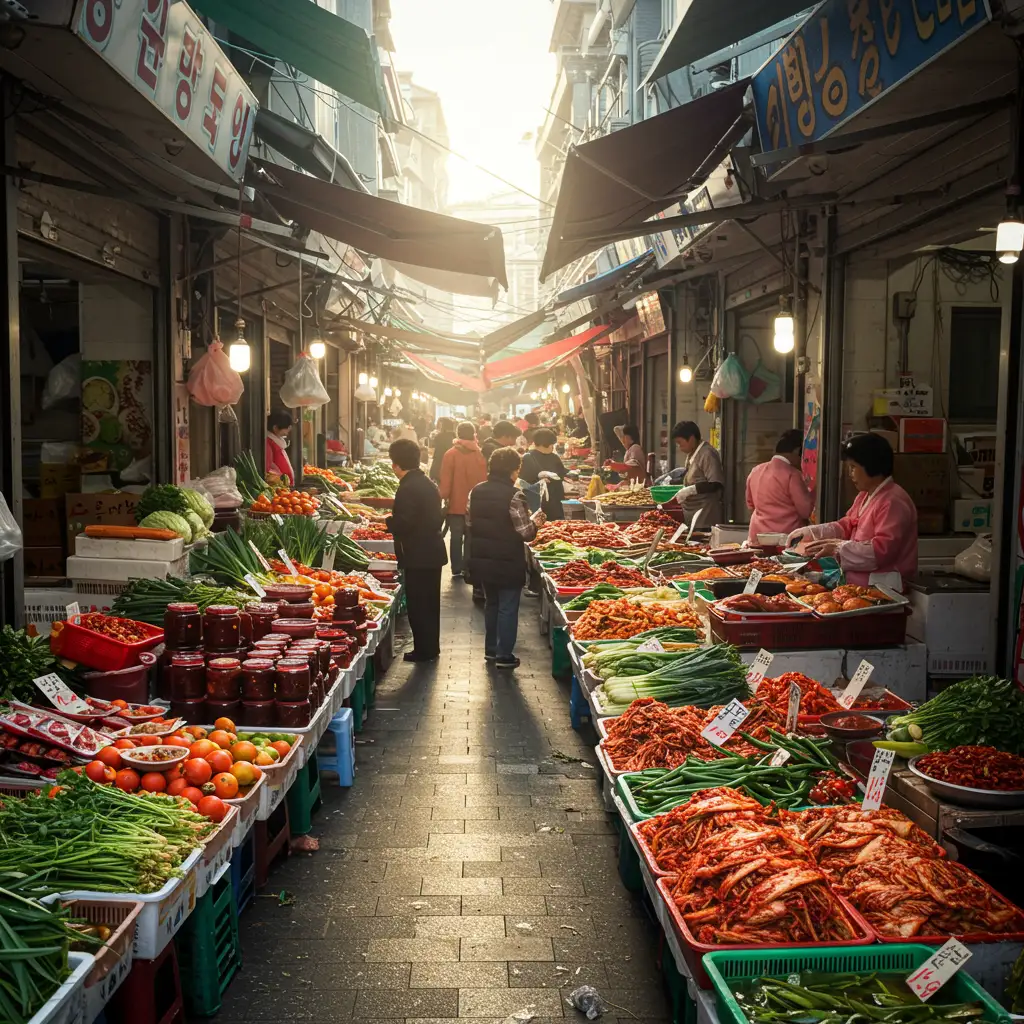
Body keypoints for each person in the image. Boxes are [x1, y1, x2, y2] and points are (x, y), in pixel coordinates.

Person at [787, 432, 918, 588]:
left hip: (884, 589)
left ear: (872, 465)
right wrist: (813, 532)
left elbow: (881, 552)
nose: (850, 474)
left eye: (853, 467)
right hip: (857, 584)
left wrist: (838, 548)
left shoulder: (893, 501)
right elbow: (847, 525)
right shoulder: (864, 495)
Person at [468, 446, 545, 669]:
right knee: (508, 607)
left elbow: (469, 522)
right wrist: (536, 522)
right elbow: (526, 532)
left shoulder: (476, 491)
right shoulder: (515, 495)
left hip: (483, 557)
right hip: (508, 559)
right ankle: (504, 655)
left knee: (492, 604)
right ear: (513, 470)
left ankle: (491, 651)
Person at [385, 439, 447, 662]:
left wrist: (389, 522)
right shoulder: (426, 482)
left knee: (419, 604)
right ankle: (430, 647)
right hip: (431, 551)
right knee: (430, 604)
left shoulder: (408, 487)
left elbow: (405, 522)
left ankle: (424, 650)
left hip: (419, 553)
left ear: (396, 465)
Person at [745, 429, 815, 545]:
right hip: (785, 540)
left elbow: (750, 505)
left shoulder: (755, 471)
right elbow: (805, 511)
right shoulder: (793, 475)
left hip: (757, 537)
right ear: (797, 451)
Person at [439, 421, 487, 579]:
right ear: (474, 434)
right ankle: (467, 567)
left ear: (458, 434)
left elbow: (446, 481)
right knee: (470, 537)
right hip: (475, 504)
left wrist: (442, 496)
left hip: (455, 504)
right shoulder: (480, 454)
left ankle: (456, 568)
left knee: (456, 537)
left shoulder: (450, 454)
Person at [671, 421, 725, 528]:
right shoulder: (692, 454)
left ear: (691, 439)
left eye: (680, 443)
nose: (679, 447)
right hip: (692, 512)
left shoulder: (707, 454)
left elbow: (715, 484)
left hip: (705, 516)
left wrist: (690, 490)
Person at [520, 427, 567, 521]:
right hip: (537, 504)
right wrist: (539, 482)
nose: (553, 447)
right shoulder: (528, 458)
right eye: (552, 444)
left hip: (555, 501)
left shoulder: (554, 457)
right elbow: (523, 482)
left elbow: (562, 474)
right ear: (546, 444)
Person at [265, 411, 295, 486]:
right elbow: (268, 468)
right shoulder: (268, 443)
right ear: (275, 428)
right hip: (279, 487)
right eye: (287, 428)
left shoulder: (277, 441)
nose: (288, 432)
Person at [428, 417, 456, 484]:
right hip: (451, 469)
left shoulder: (440, 437)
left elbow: (435, 452)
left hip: (439, 468)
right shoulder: (454, 437)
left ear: (444, 426)